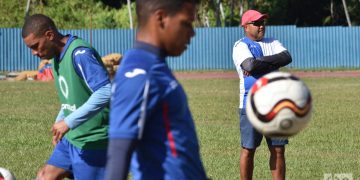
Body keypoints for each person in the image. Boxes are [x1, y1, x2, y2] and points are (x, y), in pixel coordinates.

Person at [105, 0, 207, 179]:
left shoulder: (154, 64)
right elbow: (119, 151)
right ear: (161, 18)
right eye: (186, 23)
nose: (192, 33)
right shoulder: (139, 72)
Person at [22, 14, 111, 180]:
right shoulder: (55, 57)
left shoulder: (79, 53)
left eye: (36, 46)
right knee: (44, 176)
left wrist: (68, 122)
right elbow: (71, 98)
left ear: (49, 35)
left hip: (93, 140)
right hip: (72, 138)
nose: (34, 53)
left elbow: (105, 91)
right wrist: (60, 120)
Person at [232, 10, 292, 180]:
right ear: (245, 27)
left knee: (278, 150)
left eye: (262, 23)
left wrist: (261, 63)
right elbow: (249, 65)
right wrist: (273, 63)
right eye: (256, 23)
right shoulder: (240, 45)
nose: (261, 26)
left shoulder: (272, 42)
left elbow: (287, 57)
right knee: (248, 149)